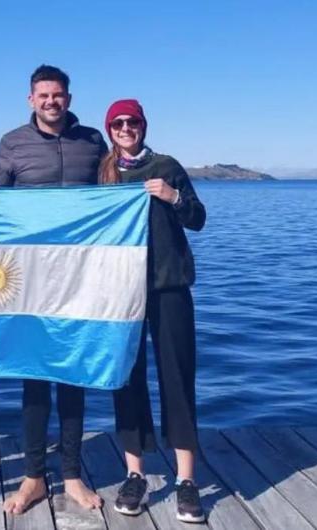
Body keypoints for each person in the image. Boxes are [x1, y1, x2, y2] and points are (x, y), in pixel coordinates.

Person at [0, 65, 107, 514]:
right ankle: (34, 476)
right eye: (43, 95)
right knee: (35, 377)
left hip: (81, 278)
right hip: (30, 280)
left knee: (73, 376)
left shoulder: (93, 141)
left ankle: (73, 474)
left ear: (69, 98)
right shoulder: (12, 143)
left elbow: (113, 191)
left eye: (58, 95)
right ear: (30, 99)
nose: (51, 102)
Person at [99, 99, 206, 523]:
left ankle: (186, 479)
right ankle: (135, 473)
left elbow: (198, 218)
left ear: (143, 126)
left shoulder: (167, 165)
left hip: (169, 288)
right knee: (127, 380)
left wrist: (174, 195)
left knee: (177, 377)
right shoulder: (104, 174)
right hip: (121, 293)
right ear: (110, 130)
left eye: (133, 122)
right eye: (119, 123)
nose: (127, 128)